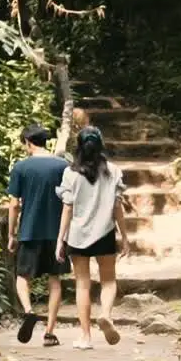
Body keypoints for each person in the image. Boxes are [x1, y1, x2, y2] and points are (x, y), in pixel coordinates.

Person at [55, 126, 129, 349]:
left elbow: (67, 208)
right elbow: (117, 207)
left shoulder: (70, 173)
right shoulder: (114, 171)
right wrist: (125, 236)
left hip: (78, 235)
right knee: (108, 281)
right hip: (105, 233)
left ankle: (85, 337)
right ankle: (105, 314)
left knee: (82, 285)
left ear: (79, 146)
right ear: (101, 145)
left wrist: (60, 239)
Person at [7, 124, 70, 346]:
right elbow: (70, 199)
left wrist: (11, 234)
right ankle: (50, 333)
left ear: (28, 142)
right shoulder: (63, 165)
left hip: (29, 231)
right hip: (57, 232)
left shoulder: (21, 168)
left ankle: (29, 311)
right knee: (55, 280)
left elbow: (14, 205)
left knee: (22, 277)